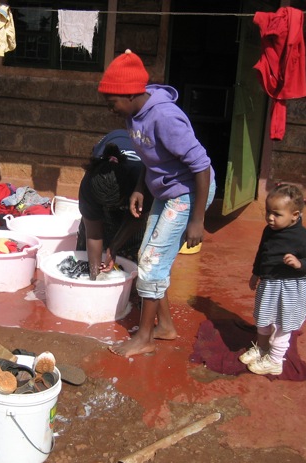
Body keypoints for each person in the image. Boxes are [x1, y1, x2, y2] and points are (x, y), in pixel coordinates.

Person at [98, 49, 216, 357]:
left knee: (151, 263)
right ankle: (164, 326)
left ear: (130, 94)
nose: (110, 109)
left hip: (189, 193)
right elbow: (151, 156)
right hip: (166, 192)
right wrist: (140, 187)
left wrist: (197, 220)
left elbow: (201, 166)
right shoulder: (132, 115)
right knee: (148, 257)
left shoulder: (165, 117)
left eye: (112, 102)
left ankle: (145, 337)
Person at [238, 183, 306, 375]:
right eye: (268, 211)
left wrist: (300, 263)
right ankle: (262, 348)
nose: (270, 217)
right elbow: (262, 253)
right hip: (269, 284)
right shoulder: (269, 231)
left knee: (282, 324)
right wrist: (256, 273)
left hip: (290, 289)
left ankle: (275, 360)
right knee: (263, 319)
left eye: (276, 214)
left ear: (295, 215)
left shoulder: (302, 237)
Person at [77, 129, 153, 280]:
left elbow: (138, 217)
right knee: (85, 259)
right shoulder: (89, 184)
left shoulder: (141, 181)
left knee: (134, 259)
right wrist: (94, 277)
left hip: (134, 179)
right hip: (113, 145)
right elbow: (94, 234)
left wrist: (114, 246)